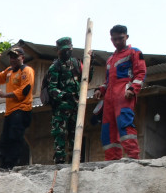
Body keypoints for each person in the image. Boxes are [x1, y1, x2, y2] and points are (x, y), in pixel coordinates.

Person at [94, 25, 146, 160]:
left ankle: (133, 156)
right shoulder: (110, 59)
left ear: (126, 37)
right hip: (110, 97)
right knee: (107, 128)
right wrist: (101, 90)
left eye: (120, 38)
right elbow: (107, 80)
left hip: (123, 93)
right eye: (114, 39)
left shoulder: (134, 52)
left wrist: (132, 89)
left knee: (124, 122)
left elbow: (140, 73)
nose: (117, 42)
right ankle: (112, 159)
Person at [0, 47, 35, 169]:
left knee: (14, 137)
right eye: (11, 57)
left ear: (22, 58)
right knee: (5, 138)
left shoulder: (26, 71)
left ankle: (12, 163)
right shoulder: (9, 71)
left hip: (22, 109)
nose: (12, 60)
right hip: (9, 111)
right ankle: (4, 164)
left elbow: (25, 90)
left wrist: (4, 95)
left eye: (15, 57)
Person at [42, 38, 83, 164]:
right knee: (60, 134)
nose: (66, 53)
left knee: (75, 134)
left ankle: (75, 160)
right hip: (61, 108)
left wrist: (90, 65)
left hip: (75, 106)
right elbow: (52, 89)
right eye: (63, 51)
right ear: (58, 51)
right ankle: (59, 160)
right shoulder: (55, 67)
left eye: (68, 50)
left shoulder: (76, 63)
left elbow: (85, 79)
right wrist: (65, 95)